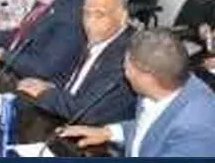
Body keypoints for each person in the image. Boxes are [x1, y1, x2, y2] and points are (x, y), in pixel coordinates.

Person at [60, 29, 215, 157]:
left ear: (148, 78)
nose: (124, 72)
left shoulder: (197, 131)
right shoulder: (163, 87)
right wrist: (108, 132)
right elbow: (151, 126)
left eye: (127, 66)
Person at [16, 0, 136, 125]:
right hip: (66, 117)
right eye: (86, 13)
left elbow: (86, 111)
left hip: (91, 130)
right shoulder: (100, 38)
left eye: (99, 14)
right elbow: (78, 82)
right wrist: (50, 86)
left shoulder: (127, 55)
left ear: (123, 17)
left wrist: (44, 93)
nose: (90, 22)